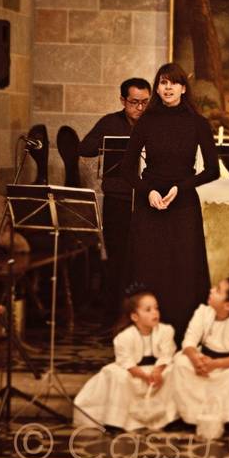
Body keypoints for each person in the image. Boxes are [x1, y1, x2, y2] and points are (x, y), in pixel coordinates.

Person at [121, 63, 219, 341]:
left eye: (173, 83)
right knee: (148, 266)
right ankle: (145, 334)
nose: (167, 88)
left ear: (183, 88)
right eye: (162, 83)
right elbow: (127, 169)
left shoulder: (198, 123)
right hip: (149, 205)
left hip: (183, 204)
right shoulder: (146, 121)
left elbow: (213, 170)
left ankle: (184, 335)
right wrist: (147, 192)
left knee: (184, 269)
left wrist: (181, 187)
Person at [78, 77, 151, 317]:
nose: (140, 108)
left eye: (145, 102)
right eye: (134, 102)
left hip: (145, 200)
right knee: (117, 259)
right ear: (123, 100)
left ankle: (142, 314)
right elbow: (84, 148)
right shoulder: (110, 122)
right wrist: (107, 143)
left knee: (142, 258)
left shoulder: (156, 123)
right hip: (117, 200)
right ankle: (113, 316)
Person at [73, 287, 178, 431]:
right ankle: (117, 420)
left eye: (156, 308)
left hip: (155, 369)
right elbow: (126, 362)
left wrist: (157, 371)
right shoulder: (124, 337)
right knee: (117, 375)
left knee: (174, 370)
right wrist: (143, 376)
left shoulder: (166, 331)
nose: (155, 312)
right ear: (135, 317)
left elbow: (167, 354)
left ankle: (168, 417)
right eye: (148, 310)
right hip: (134, 370)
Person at [171, 275, 229, 427]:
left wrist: (217, 364)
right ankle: (191, 415)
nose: (212, 290)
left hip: (226, 366)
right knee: (180, 362)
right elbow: (189, 340)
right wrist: (195, 360)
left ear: (228, 305)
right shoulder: (203, 312)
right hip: (203, 360)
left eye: (218, 290)